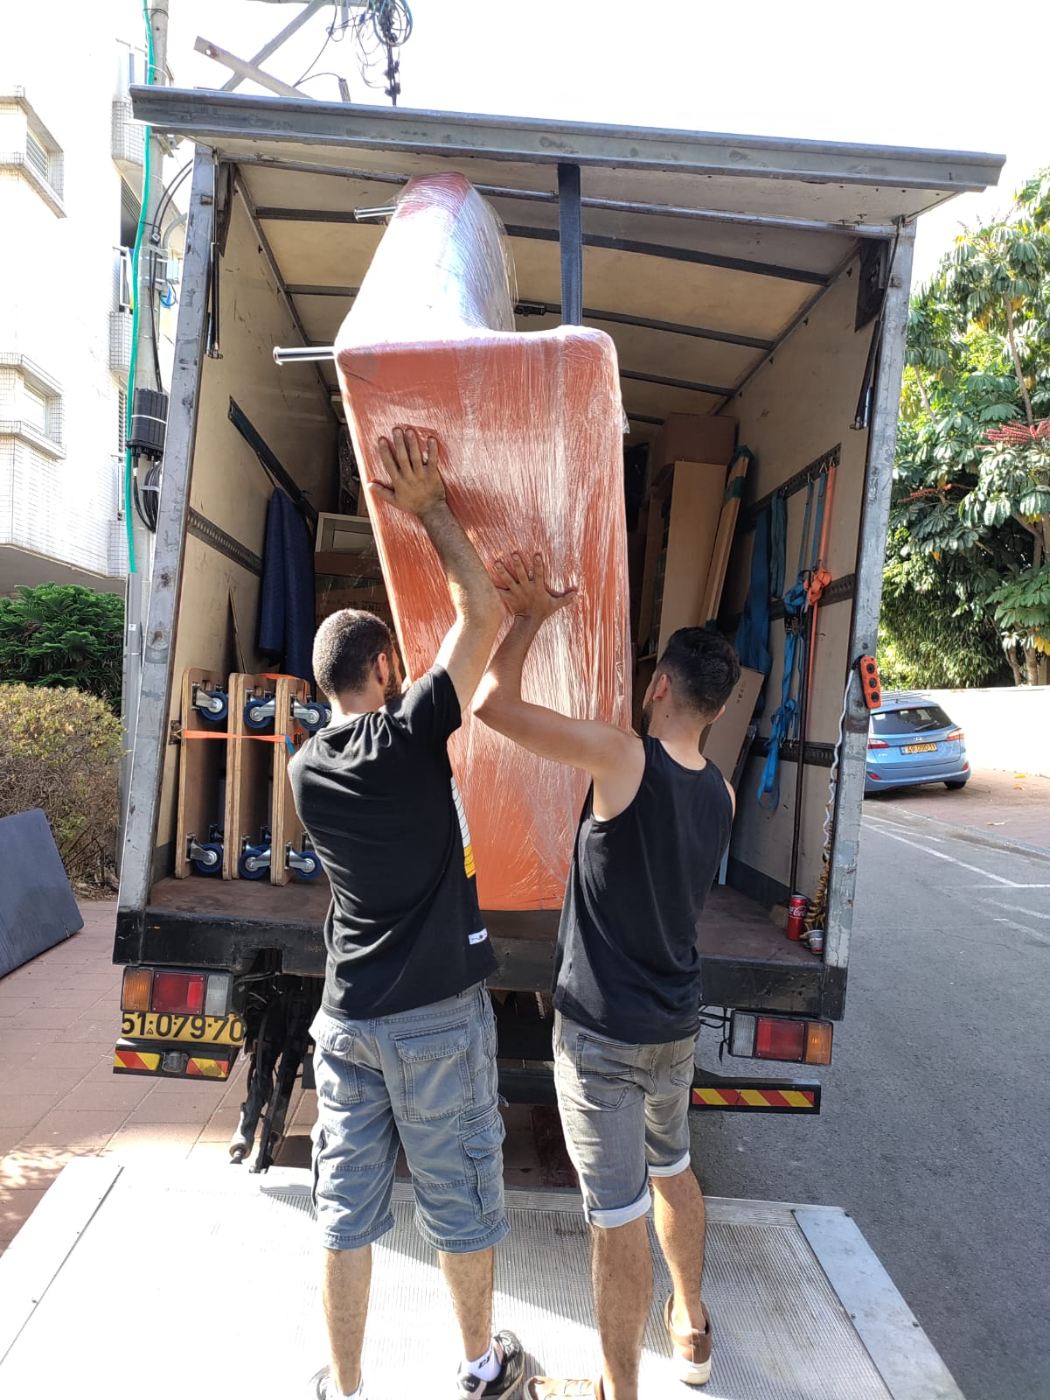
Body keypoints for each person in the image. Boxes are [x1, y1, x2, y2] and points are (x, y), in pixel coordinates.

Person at [289, 428, 525, 1400]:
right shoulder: (415, 731)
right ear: (388, 665)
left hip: (347, 1018)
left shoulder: (306, 770)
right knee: (459, 1199)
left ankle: (344, 1386)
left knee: (345, 1211)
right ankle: (479, 1366)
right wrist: (431, 508)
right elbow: (483, 611)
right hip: (434, 1018)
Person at [474, 553, 740, 1400]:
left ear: (657, 687)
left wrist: (529, 618)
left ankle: (619, 1392)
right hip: (673, 1028)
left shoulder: (624, 757)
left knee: (617, 1216)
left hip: (602, 1036)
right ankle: (691, 1329)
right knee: (675, 1170)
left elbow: (490, 706)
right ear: (717, 709)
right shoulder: (722, 794)